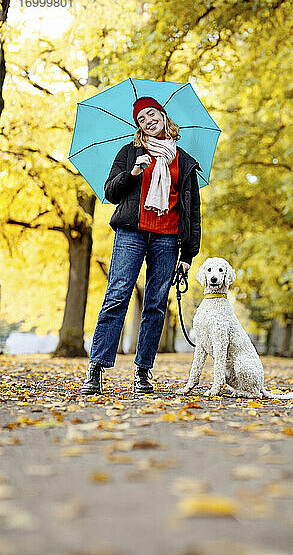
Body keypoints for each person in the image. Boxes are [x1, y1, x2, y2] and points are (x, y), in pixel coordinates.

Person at [80, 96, 202, 395]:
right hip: (132, 232)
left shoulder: (184, 161)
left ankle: (143, 372)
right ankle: (96, 369)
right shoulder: (129, 152)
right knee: (117, 294)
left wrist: (188, 255)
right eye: (141, 119)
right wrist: (133, 171)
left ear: (162, 115)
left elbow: (193, 210)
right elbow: (110, 191)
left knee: (156, 304)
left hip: (168, 237)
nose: (147, 120)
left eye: (151, 114)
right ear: (139, 127)